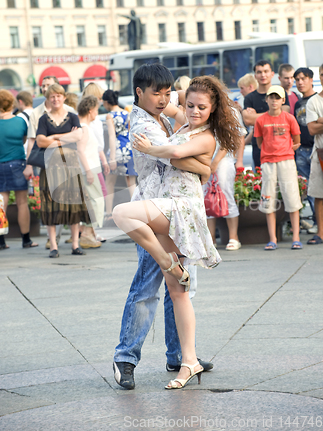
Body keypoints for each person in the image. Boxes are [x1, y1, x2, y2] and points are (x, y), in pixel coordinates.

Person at [113, 74, 241, 390]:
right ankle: (188, 361)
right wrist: (186, 94)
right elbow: (175, 101)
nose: (195, 110)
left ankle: (167, 261)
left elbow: (177, 155)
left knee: (120, 212)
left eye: (202, 107)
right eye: (191, 105)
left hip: (181, 207)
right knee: (178, 292)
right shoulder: (183, 121)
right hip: (168, 203)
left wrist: (151, 148)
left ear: (213, 110)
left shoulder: (207, 136)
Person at [36, 84, 90, 257]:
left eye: (59, 96)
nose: (55, 99)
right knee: (50, 206)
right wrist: (65, 138)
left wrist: (53, 137)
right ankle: (53, 246)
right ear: (48, 99)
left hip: (70, 166)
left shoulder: (73, 117)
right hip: (50, 167)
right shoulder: (43, 119)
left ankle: (75, 244)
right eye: (52, 96)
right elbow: (40, 142)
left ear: (64, 97)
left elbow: (78, 136)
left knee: (73, 205)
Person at [23, 75, 75, 249]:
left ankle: (66, 238)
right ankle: (53, 240)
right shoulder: (37, 113)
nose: (46, 89)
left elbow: (77, 136)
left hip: (68, 163)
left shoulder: (68, 110)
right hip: (45, 162)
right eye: (44, 86)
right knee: (49, 201)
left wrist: (52, 138)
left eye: (50, 86)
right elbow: (34, 140)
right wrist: (29, 164)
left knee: (69, 201)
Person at [254, 85, 302, 250]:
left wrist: (286, 150)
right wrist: (270, 152)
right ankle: (272, 238)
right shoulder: (260, 120)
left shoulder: (289, 118)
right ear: (266, 99)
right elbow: (260, 142)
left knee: (292, 198)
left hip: (287, 161)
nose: (274, 101)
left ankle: (296, 237)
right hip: (268, 162)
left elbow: (297, 140)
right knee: (268, 199)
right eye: (271, 97)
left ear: (283, 100)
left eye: (277, 97)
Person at [0, 90, 38, 250]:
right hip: (18, 164)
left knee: (2, 204)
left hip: (0, 165)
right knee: (22, 203)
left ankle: (1, 241)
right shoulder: (21, 121)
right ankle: (26, 240)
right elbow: (25, 140)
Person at [206, 108, 246, 251]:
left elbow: (236, 136)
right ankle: (210, 239)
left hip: (224, 159)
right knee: (207, 199)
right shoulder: (200, 107)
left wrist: (216, 162)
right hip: (204, 159)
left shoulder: (230, 111)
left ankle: (234, 237)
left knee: (226, 195)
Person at [243, 60, 290, 169]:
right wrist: (274, 113)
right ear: (255, 75)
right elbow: (248, 120)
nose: (263, 75)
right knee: (262, 182)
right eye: (259, 72)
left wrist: (257, 117)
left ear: (272, 74)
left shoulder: (281, 92)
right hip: (259, 146)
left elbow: (283, 115)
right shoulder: (250, 98)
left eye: (266, 71)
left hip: (280, 145)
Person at [306, 62, 323, 245]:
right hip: (321, 152)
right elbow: (312, 129)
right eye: (322, 75)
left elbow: (317, 123)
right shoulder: (313, 101)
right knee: (319, 194)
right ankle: (321, 233)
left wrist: (321, 120)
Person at [102, 89, 137, 223]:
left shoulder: (109, 116)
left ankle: (109, 212)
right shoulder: (126, 113)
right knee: (131, 182)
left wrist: (111, 158)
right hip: (128, 148)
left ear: (106, 102)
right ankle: (134, 210)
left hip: (116, 150)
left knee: (110, 182)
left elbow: (112, 137)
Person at [77, 95, 105, 244]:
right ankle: (87, 233)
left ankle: (89, 232)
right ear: (89, 111)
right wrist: (88, 171)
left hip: (90, 168)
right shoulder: (84, 128)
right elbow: (80, 151)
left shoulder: (84, 127)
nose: (96, 113)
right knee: (96, 202)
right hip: (89, 169)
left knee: (94, 201)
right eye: (95, 110)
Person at [293, 67, 316, 232]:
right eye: (297, 80)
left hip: (319, 148)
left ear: (311, 80)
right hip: (302, 150)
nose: (300, 82)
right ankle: (318, 222)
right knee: (309, 189)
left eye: (303, 79)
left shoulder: (319, 99)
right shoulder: (298, 103)